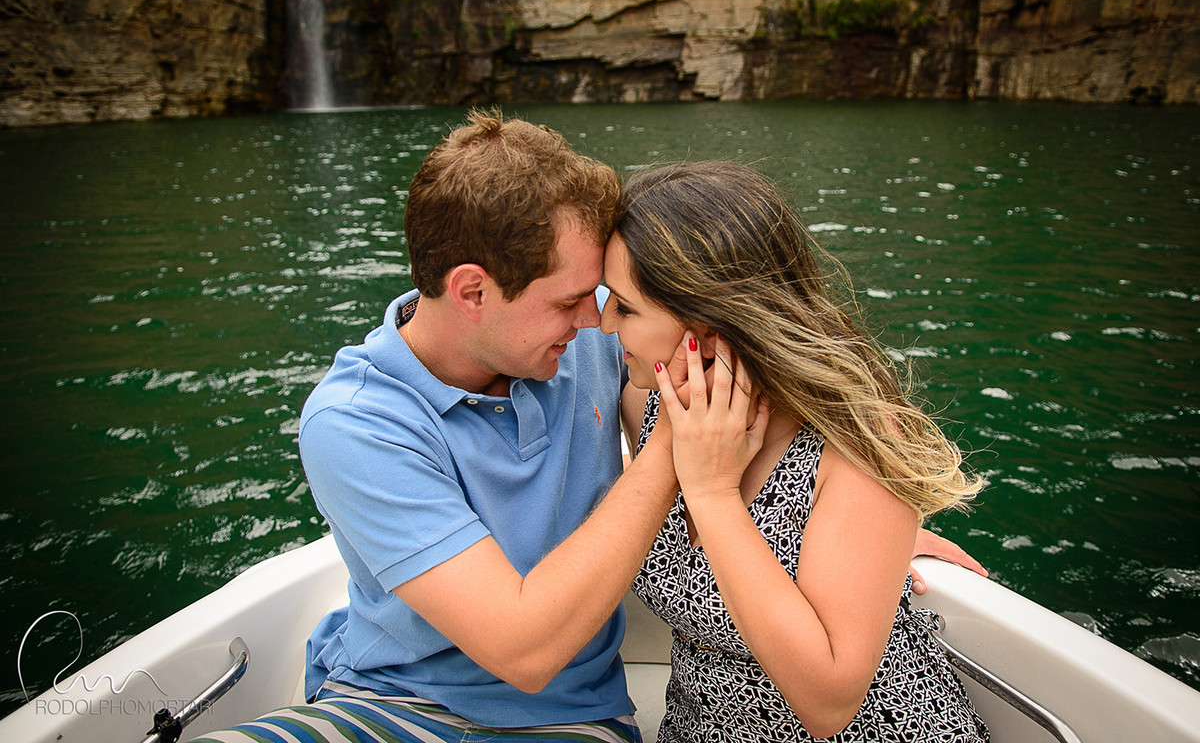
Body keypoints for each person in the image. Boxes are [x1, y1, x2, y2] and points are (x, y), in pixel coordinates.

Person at [189, 114, 981, 743]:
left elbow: (778, 410)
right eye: (575, 301)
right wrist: (676, 458)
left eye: (610, 301)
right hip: (389, 704)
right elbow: (525, 646)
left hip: (570, 721)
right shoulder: (356, 421)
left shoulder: (602, 348)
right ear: (472, 292)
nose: (596, 321)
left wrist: (870, 528)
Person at [601, 160, 990, 742]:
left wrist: (713, 493)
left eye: (624, 306)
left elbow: (829, 705)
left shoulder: (855, 442)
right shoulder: (653, 403)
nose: (603, 323)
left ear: (705, 329)